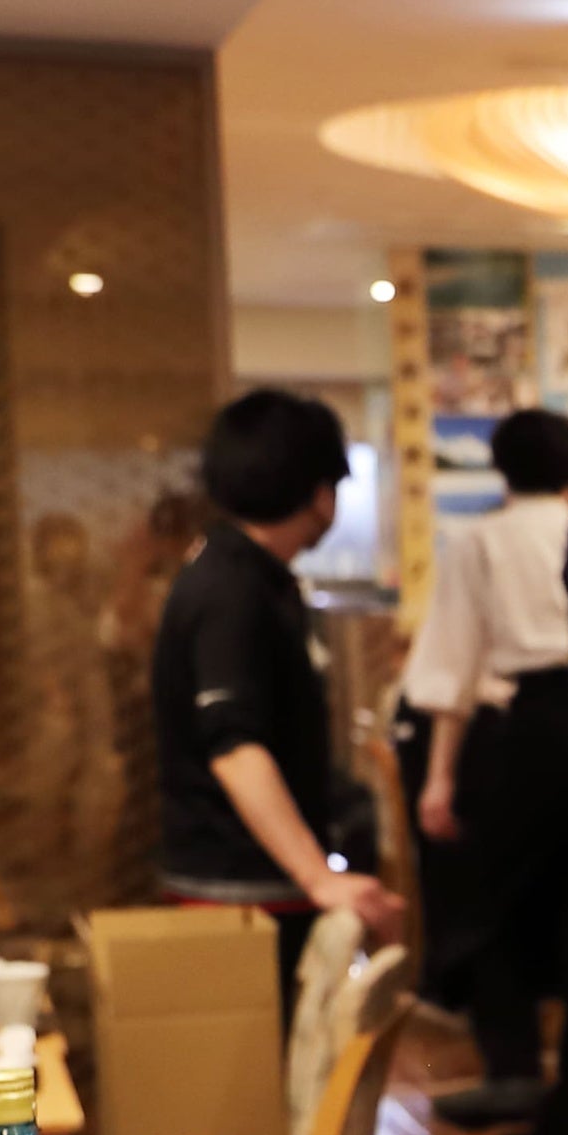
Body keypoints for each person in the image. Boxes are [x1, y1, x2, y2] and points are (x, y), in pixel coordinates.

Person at [153, 389, 398, 1014]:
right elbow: (234, 748)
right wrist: (321, 877)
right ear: (320, 494)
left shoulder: (254, 577)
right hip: (234, 889)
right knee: (258, 1089)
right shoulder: (231, 589)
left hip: (254, 882)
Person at [408, 407, 568, 1131]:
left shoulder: (482, 542)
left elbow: (452, 668)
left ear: (503, 468)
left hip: (518, 732)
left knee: (493, 904)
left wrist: (438, 777)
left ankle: (513, 1070)